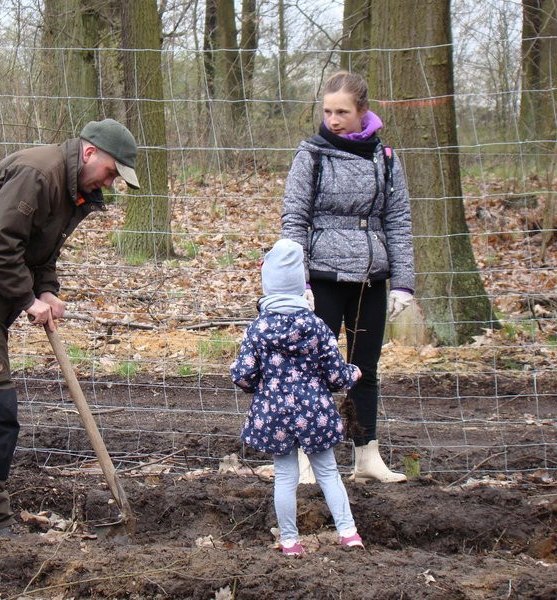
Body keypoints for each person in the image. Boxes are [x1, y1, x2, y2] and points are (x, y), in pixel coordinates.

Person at [0, 118, 140, 536]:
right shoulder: (38, 174)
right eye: (112, 172)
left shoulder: (72, 189)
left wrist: (48, 291)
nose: (111, 184)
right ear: (90, 153)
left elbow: (39, 251)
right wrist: (27, 299)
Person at [281, 70, 414, 483]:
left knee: (364, 369)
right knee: (312, 368)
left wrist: (403, 282)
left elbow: (398, 221)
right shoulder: (311, 155)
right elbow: (294, 219)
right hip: (321, 278)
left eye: (342, 112)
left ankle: (367, 455)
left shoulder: (386, 159)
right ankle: (306, 457)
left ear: (363, 112)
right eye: (327, 111)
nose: (333, 119)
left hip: (371, 279)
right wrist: (297, 280)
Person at [230, 238, 364, 556]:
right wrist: (353, 374)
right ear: (297, 287)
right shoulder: (316, 327)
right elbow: (335, 375)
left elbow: (244, 375)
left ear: (268, 287)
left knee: (286, 476)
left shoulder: (258, 329)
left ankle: (290, 541)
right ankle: (349, 533)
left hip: (274, 414)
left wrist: (244, 377)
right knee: (329, 472)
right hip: (314, 411)